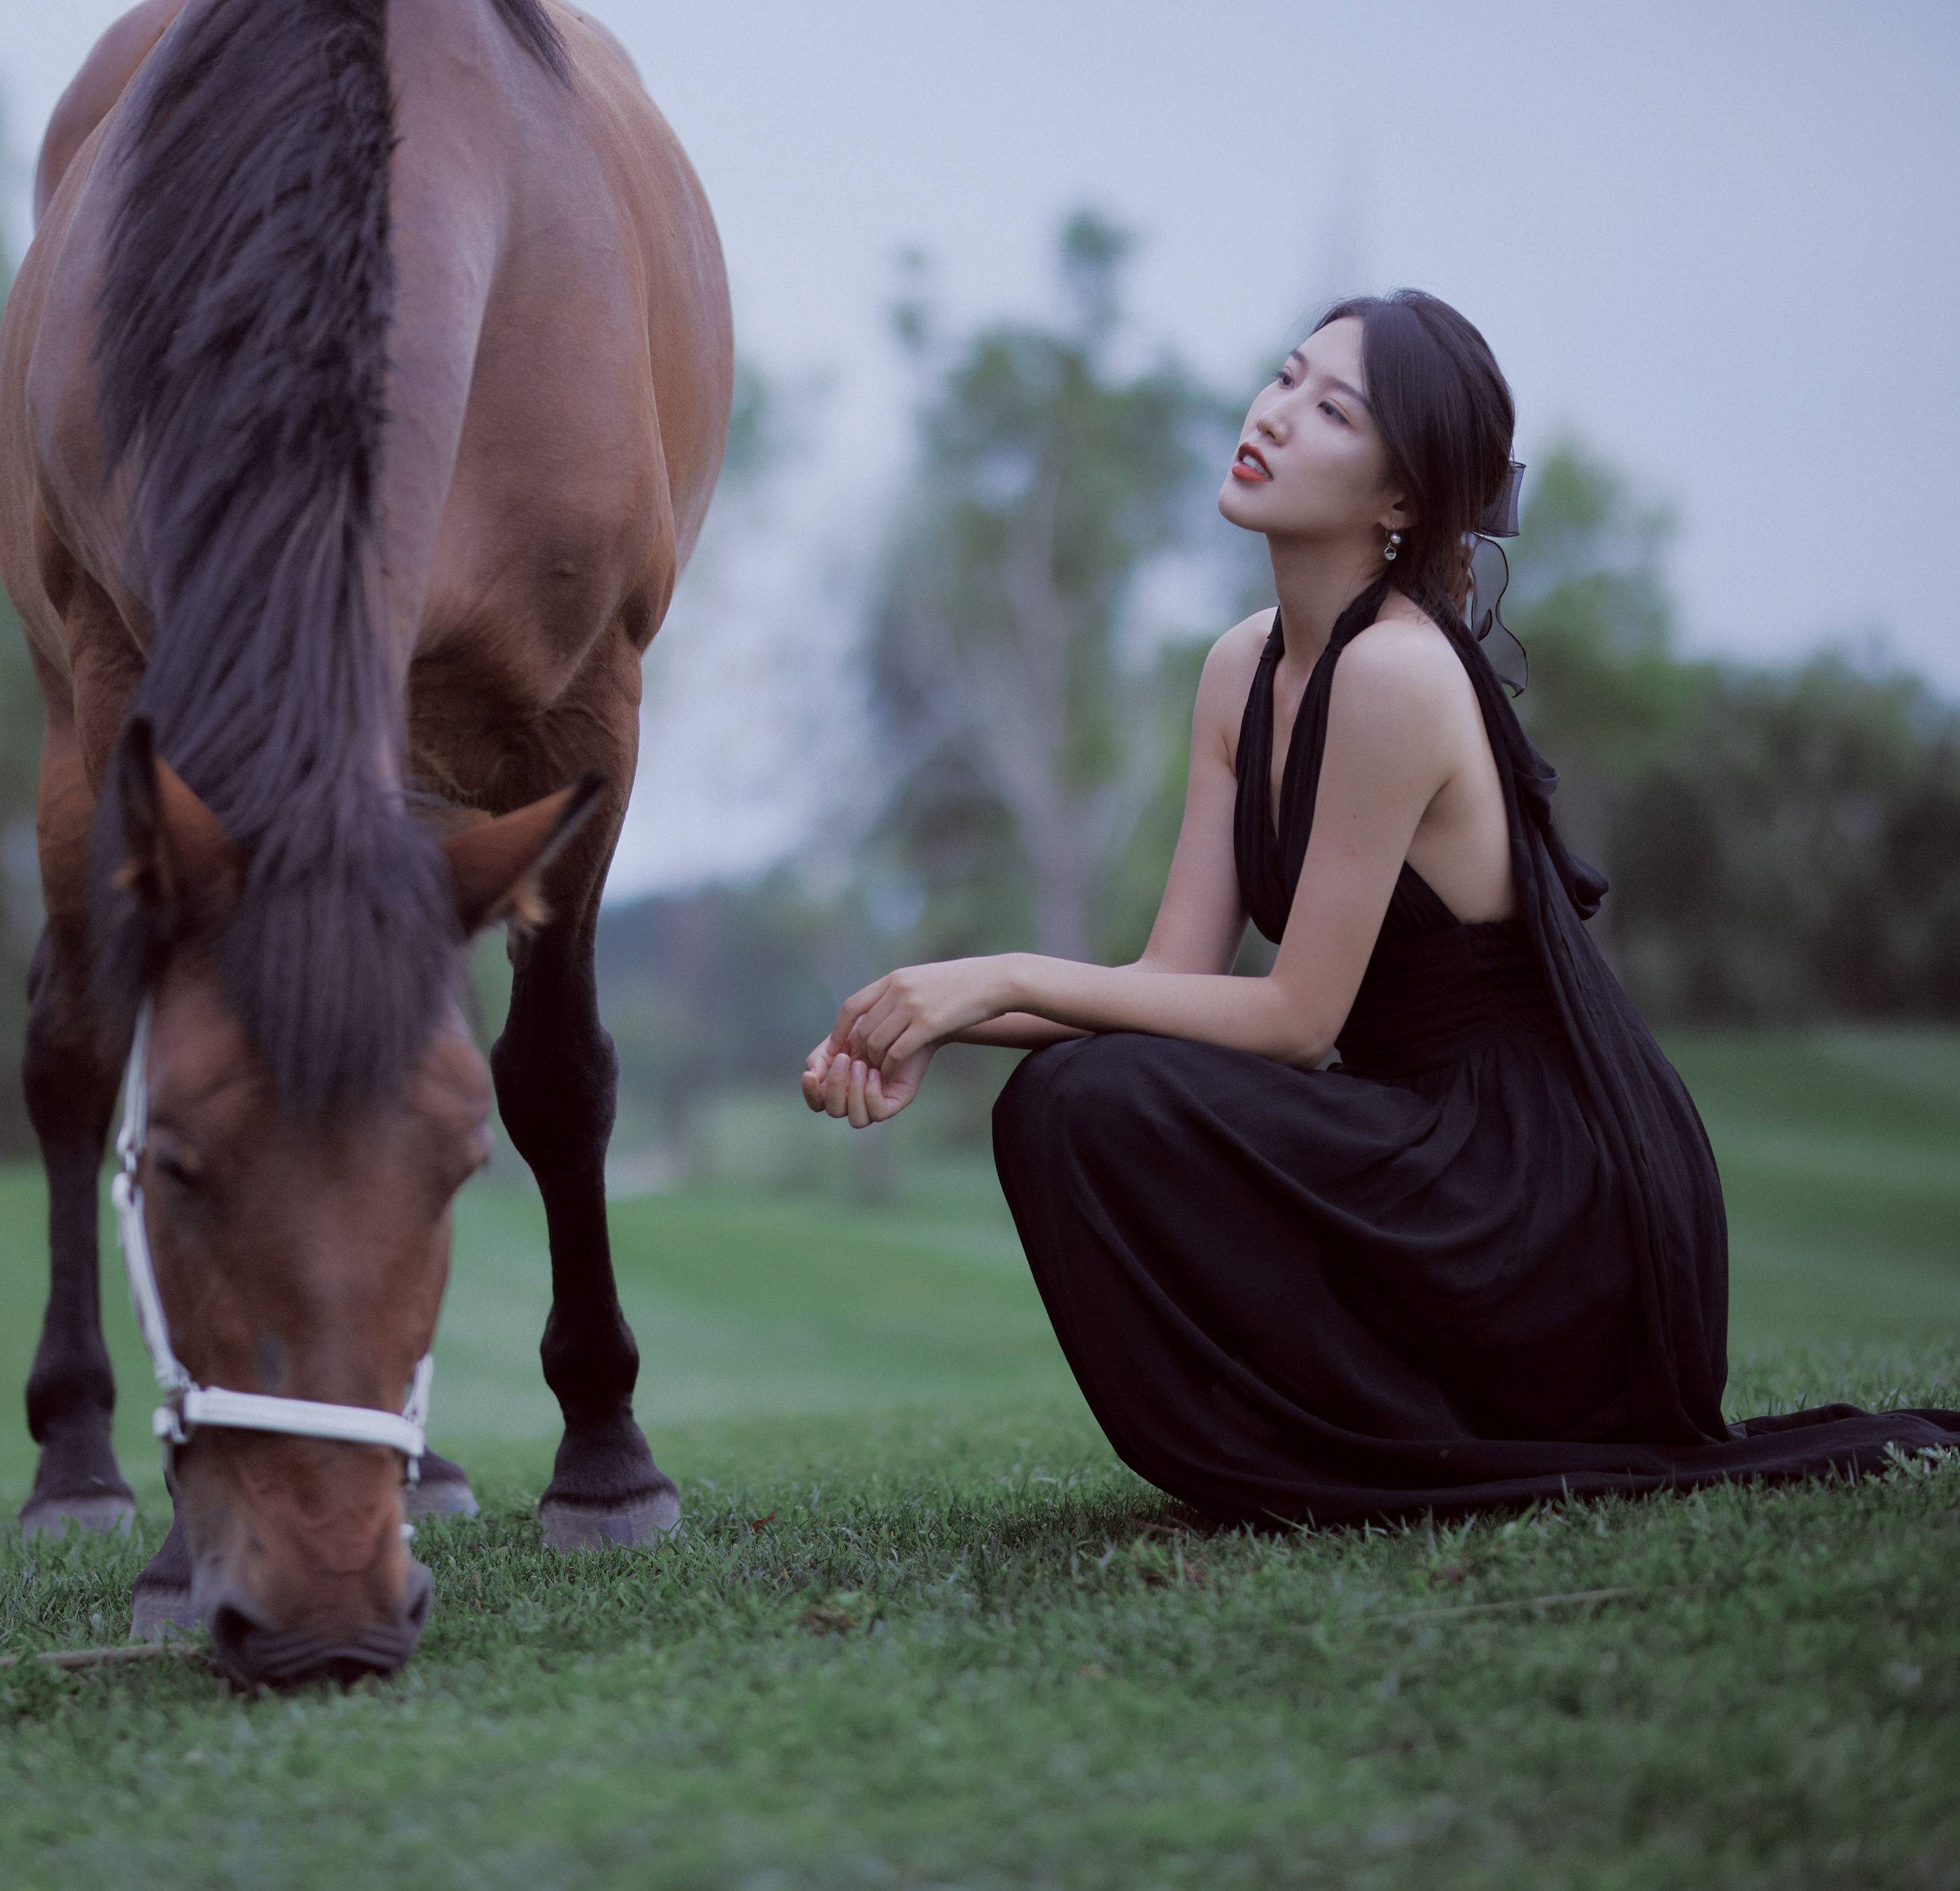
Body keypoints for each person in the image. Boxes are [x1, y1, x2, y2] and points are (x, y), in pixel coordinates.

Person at [804, 289, 1958, 1525]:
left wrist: (1002, 974)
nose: (1275, 414)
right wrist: (916, 1017)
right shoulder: (1241, 668)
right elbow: (1168, 981)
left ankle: (1364, 1445)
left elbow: (1297, 1020)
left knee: (1086, 1098)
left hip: (1544, 1188)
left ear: (1401, 502)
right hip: (1408, 1142)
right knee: (1076, 1098)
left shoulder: (1396, 673)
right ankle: (1334, 1433)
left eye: (1331, 407)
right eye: (1284, 378)